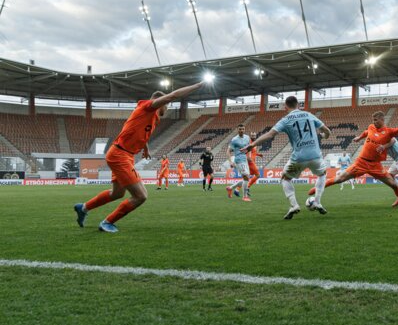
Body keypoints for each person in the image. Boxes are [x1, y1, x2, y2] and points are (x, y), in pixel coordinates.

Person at [73, 81, 207, 233]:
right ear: (160, 103)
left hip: (122, 154)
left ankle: (83, 207)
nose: (167, 108)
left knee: (117, 193)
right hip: (120, 155)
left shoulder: (152, 117)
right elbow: (173, 95)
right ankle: (107, 222)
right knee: (141, 196)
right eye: (166, 105)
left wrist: (145, 149)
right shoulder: (147, 107)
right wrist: (197, 86)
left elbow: (138, 132)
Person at [308, 110, 398, 209]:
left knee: (393, 185)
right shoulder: (371, 127)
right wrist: (359, 137)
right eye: (373, 120)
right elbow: (366, 132)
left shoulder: (388, 132)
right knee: (339, 179)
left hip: (376, 165)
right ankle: (316, 189)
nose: (374, 122)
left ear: (382, 120)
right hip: (361, 162)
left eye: (376, 120)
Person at [249, 96, 332, 219]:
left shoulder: (286, 119)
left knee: (285, 179)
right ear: (298, 104)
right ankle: (317, 202)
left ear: (285, 107)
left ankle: (294, 205)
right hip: (316, 156)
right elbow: (327, 131)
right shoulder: (309, 115)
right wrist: (325, 136)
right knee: (322, 175)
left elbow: (270, 134)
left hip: (299, 158)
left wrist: (253, 144)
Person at [226, 124, 252, 202]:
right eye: (240, 129)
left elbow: (249, 147)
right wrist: (230, 161)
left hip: (245, 160)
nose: (241, 130)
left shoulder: (247, 137)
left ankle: (230, 188)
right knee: (246, 178)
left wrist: (249, 156)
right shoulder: (234, 139)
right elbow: (228, 151)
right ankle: (245, 196)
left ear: (244, 129)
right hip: (238, 160)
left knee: (246, 178)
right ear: (237, 130)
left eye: (243, 129)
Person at [234, 133, 263, 197]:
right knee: (258, 175)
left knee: (247, 177)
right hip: (250, 162)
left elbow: (253, 152)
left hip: (251, 161)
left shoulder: (254, 143)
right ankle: (248, 187)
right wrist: (248, 157)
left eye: (254, 135)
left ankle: (237, 189)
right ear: (250, 136)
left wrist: (258, 154)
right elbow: (246, 151)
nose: (254, 136)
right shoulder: (248, 143)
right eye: (252, 135)